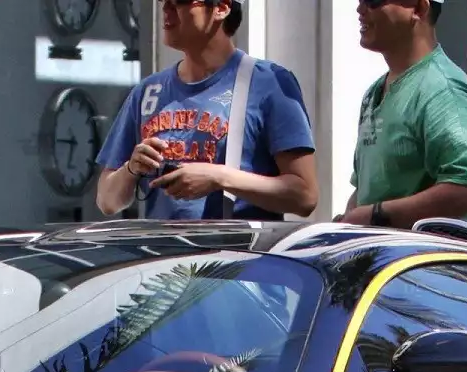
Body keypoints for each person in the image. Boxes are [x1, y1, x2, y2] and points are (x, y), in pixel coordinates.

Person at [95, 0, 318, 220]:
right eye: (163, 1)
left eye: (179, 1)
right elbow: (107, 201)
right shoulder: (148, 92)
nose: (166, 9)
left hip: (238, 244)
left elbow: (305, 196)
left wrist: (219, 177)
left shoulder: (269, 83)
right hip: (163, 244)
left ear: (221, 7)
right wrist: (131, 169)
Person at [338, 0, 467, 228]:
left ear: (419, 9)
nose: (360, 9)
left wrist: (376, 215)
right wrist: (348, 221)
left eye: (373, 1)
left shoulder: (443, 89)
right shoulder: (373, 92)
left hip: (431, 253)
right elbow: (365, 193)